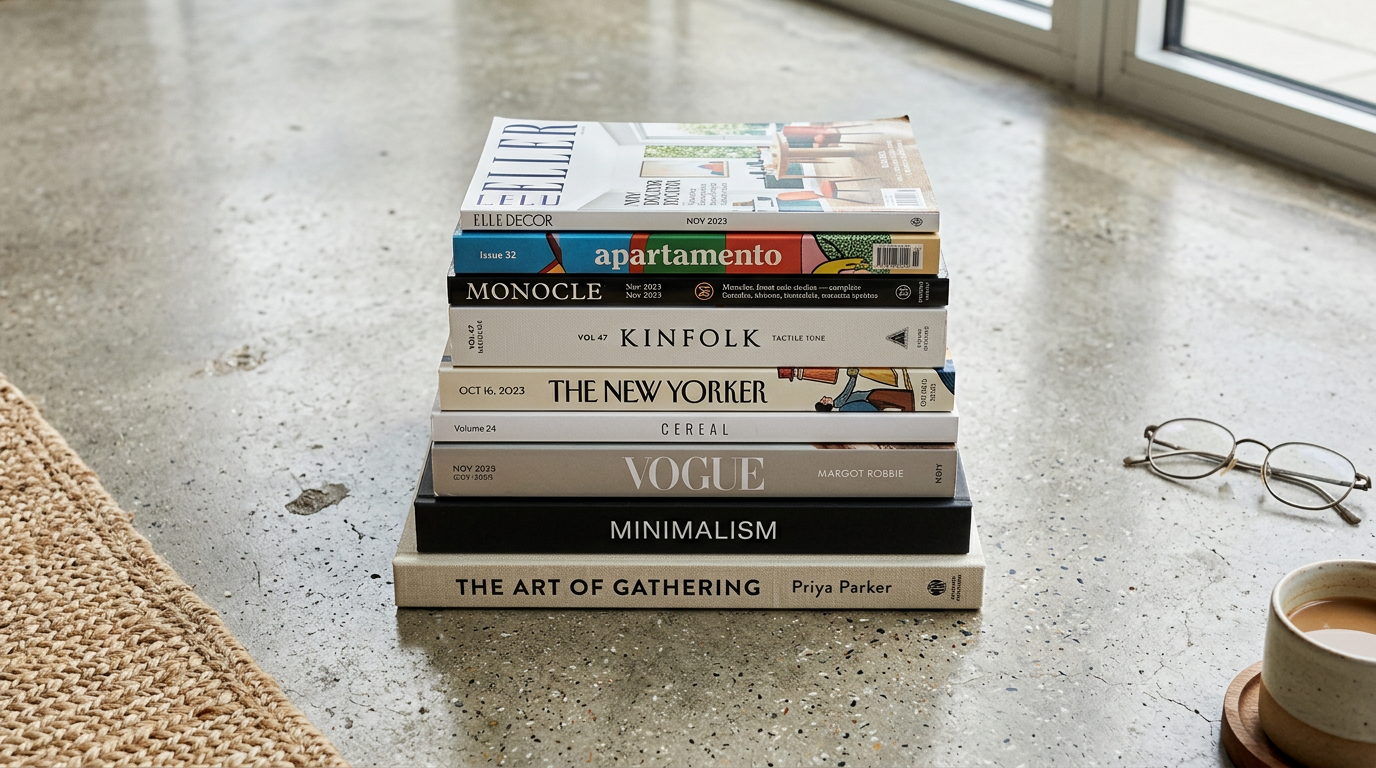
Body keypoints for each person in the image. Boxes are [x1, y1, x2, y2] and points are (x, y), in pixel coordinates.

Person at [815, 368, 914, 411]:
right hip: (871, 397)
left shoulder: (839, 405)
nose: (824, 397)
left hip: (871, 399)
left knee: (893, 401)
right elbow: (848, 390)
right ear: (826, 404)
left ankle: (909, 404)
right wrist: (853, 376)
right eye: (823, 400)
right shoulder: (839, 402)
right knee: (894, 398)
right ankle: (910, 402)